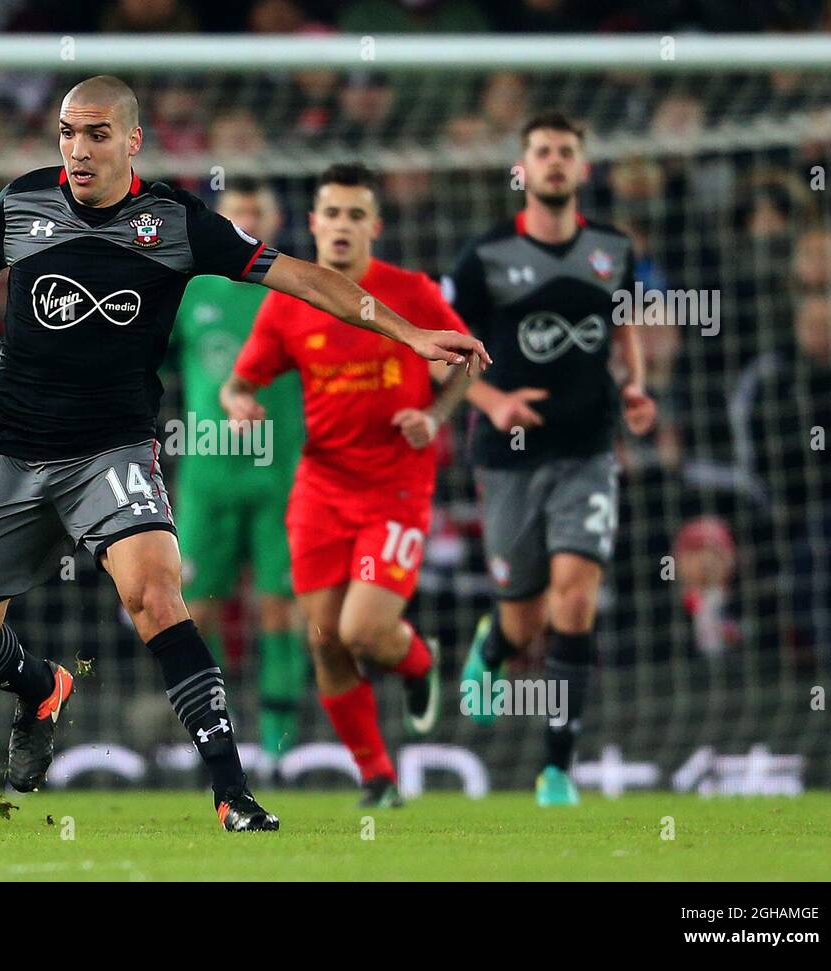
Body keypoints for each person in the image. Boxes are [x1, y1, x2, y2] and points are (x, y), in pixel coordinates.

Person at [0, 76, 489, 832]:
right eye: (67, 132)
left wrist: (407, 333)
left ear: (132, 141)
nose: (78, 150)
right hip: (9, 449)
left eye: (98, 134)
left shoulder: (177, 221)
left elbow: (306, 278)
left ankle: (232, 793)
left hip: (110, 452)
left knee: (155, 595)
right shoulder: (20, 204)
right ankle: (42, 686)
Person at [222, 163, 477, 808]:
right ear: (313, 223)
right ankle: (378, 776)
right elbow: (241, 380)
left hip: (395, 487)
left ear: (374, 226)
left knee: (363, 631)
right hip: (320, 489)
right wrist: (235, 402)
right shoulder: (289, 301)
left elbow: (467, 359)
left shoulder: (412, 292)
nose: (341, 226)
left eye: (355, 215)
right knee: (326, 639)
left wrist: (435, 416)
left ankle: (420, 663)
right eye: (331, 213)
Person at [446, 112, 655, 806]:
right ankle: (494, 646)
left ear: (583, 168)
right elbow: (445, 355)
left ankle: (557, 767)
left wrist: (636, 388)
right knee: (525, 616)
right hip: (507, 457)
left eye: (568, 151)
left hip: (588, 448)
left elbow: (623, 330)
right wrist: (493, 402)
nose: (556, 161)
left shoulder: (613, 249)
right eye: (543, 151)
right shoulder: (485, 256)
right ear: (522, 169)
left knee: (575, 593)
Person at [171, 177, 307, 760]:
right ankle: (214, 735)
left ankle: (280, 743)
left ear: (273, 222)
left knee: (278, 607)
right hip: (205, 478)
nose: (248, 221)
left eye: (257, 212)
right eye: (237, 213)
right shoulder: (189, 291)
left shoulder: (294, 292)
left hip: (281, 478)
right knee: (195, 610)